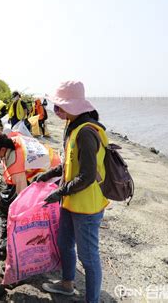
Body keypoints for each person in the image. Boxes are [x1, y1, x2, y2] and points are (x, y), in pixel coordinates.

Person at [35, 81, 109, 303]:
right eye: (54, 106)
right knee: (65, 243)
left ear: (74, 106)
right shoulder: (73, 126)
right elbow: (70, 165)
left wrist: (59, 192)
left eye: (60, 106)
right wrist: (49, 174)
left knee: (89, 257)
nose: (55, 110)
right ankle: (67, 284)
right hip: (70, 201)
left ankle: (92, 300)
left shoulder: (86, 132)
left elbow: (86, 176)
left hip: (87, 206)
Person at [0, 130, 60, 257]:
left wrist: (19, 215)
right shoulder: (12, 139)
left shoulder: (15, 163)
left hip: (52, 171)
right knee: (7, 200)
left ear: (2, 149)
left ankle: (31, 240)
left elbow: (22, 195)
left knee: (22, 207)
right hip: (44, 159)